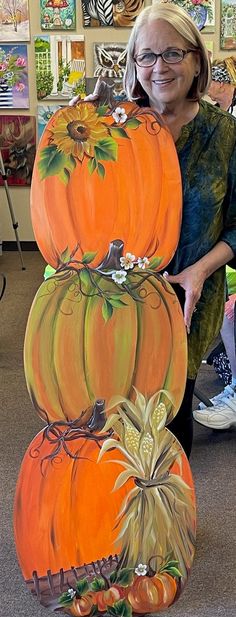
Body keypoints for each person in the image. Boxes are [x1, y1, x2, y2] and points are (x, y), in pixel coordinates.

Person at [70, 2, 236, 457]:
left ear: (196, 59)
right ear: (134, 64)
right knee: (114, 419)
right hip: (116, 296)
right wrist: (74, 130)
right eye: (146, 56)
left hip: (188, 300)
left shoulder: (225, 135)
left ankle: (169, 522)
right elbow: (75, 203)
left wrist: (200, 271)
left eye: (172, 54)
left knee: (171, 420)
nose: (158, 67)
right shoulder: (115, 128)